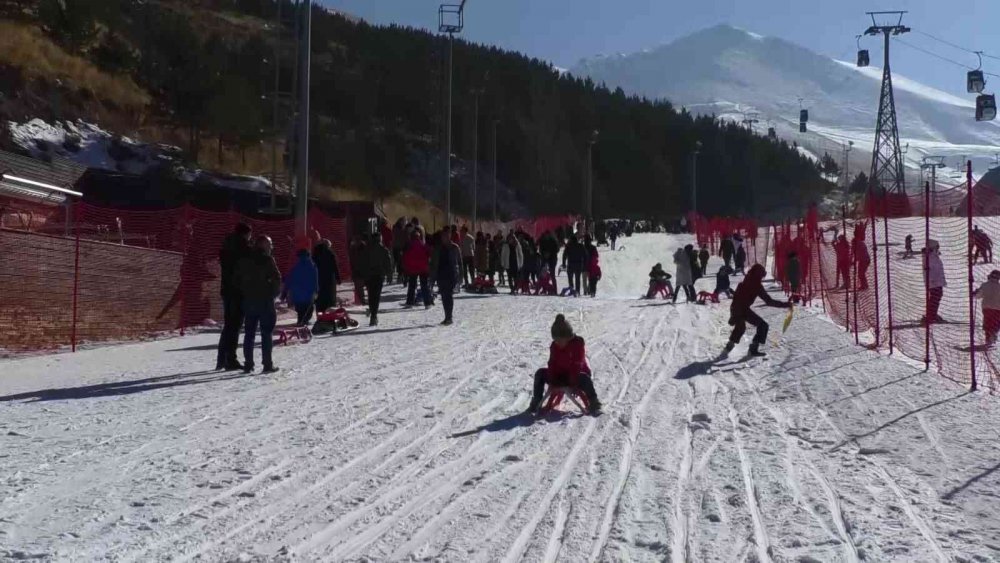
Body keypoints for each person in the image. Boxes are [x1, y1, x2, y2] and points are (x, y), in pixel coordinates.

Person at [527, 314, 602, 415]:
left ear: (568, 338)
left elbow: (577, 364)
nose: (558, 343)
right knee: (540, 373)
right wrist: (553, 380)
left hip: (576, 375)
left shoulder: (577, 344)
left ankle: (594, 402)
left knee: (585, 379)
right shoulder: (554, 346)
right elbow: (552, 363)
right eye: (556, 340)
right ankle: (536, 401)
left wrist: (572, 383)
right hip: (560, 375)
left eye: (560, 340)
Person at [724, 263, 792, 357]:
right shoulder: (756, 286)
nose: (762, 278)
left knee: (741, 327)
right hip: (742, 309)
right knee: (763, 325)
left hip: (736, 307)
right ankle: (753, 348)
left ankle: (729, 346)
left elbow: (737, 297)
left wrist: (733, 314)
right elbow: (769, 301)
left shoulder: (745, 281)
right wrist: (786, 304)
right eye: (762, 276)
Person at [236, 235, 282, 373]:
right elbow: (277, 278)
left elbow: (238, 279)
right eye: (270, 244)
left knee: (249, 333)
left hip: (249, 301)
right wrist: (272, 294)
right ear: (263, 245)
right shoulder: (267, 260)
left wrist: (245, 293)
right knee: (266, 333)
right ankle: (267, 364)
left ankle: (248, 364)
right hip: (265, 301)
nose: (271, 247)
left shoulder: (245, 260)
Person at [216, 222, 252, 371]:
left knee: (228, 325)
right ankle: (231, 359)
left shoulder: (226, 246)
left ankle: (221, 358)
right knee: (235, 325)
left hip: (226, 289)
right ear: (246, 234)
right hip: (238, 291)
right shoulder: (244, 247)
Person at [359, 232, 393, 326]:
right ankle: (374, 315)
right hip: (379, 275)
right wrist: (389, 274)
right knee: (376, 296)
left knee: (371, 295)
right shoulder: (383, 250)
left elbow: (362, 263)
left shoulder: (366, 249)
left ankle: (372, 313)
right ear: (380, 239)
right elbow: (388, 263)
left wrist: (363, 274)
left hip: (369, 275)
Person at [431, 229, 462, 325]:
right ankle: (447, 316)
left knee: (448, 295)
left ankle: (449, 317)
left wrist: (461, 276)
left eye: (447, 236)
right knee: (444, 296)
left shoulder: (455, 247)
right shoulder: (438, 248)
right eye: (443, 236)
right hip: (441, 274)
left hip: (451, 274)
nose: (445, 238)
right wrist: (432, 277)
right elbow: (434, 263)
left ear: (450, 236)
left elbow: (460, 262)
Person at [286, 248, 318, 327]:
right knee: (308, 309)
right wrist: (316, 290)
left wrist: (287, 292)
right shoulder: (312, 266)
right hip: (308, 293)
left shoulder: (296, 267)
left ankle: (300, 321)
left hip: (297, 293)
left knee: (300, 309)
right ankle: (304, 322)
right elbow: (315, 279)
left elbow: (290, 279)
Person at [403, 228, 432, 308]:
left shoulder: (409, 246)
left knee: (412, 286)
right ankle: (427, 303)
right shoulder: (423, 245)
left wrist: (406, 268)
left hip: (413, 269)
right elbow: (430, 253)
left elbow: (405, 258)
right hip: (423, 268)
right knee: (424, 286)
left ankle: (409, 302)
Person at [312, 239, 341, 313]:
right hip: (330, 278)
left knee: (320, 295)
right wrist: (338, 278)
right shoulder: (330, 253)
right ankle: (329, 312)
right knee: (330, 296)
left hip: (319, 278)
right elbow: (335, 266)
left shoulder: (315, 253)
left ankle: (320, 312)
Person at [923, 240, 946, 324]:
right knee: (935, 297)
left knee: (936, 297)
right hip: (934, 281)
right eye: (937, 246)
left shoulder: (933, 256)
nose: (938, 248)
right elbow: (928, 270)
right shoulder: (930, 257)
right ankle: (930, 315)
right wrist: (932, 280)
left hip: (937, 281)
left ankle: (932, 314)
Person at [975, 270, 1000, 346]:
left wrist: (975, 293)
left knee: (987, 322)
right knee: (996, 322)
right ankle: (994, 333)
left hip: (986, 308)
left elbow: (978, 295)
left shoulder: (984, 285)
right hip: (997, 308)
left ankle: (988, 339)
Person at [349, 234, 367, 305]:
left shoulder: (363, 248)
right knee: (359, 286)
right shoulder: (353, 248)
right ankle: (361, 300)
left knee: (360, 286)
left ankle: (361, 300)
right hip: (357, 270)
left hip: (360, 270)